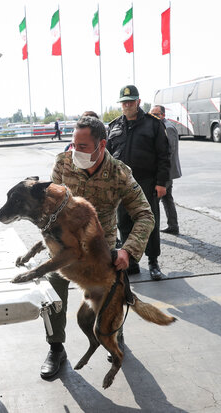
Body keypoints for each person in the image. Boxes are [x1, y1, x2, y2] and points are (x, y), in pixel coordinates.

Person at [41, 116, 155, 379]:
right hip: (65, 247)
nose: (75, 152)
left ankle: (113, 334)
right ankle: (55, 348)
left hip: (101, 250)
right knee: (51, 292)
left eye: (82, 147)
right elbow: (50, 206)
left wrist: (128, 250)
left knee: (110, 295)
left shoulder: (119, 174)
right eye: (73, 145)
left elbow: (145, 214)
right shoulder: (63, 163)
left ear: (101, 145)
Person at [106, 85, 171, 281]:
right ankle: (131, 262)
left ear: (138, 102)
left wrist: (161, 183)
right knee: (124, 223)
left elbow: (164, 155)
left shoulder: (153, 124)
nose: (127, 105)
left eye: (130, 102)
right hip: (121, 184)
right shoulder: (114, 126)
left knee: (148, 223)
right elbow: (107, 156)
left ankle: (153, 262)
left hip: (146, 182)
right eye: (124, 102)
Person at [149, 105, 182, 235]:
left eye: (155, 114)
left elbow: (169, 151)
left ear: (162, 115)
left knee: (155, 200)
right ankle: (173, 226)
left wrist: (160, 171)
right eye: (151, 114)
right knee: (167, 198)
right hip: (166, 171)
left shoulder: (167, 128)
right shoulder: (161, 126)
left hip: (166, 172)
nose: (152, 116)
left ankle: (152, 229)